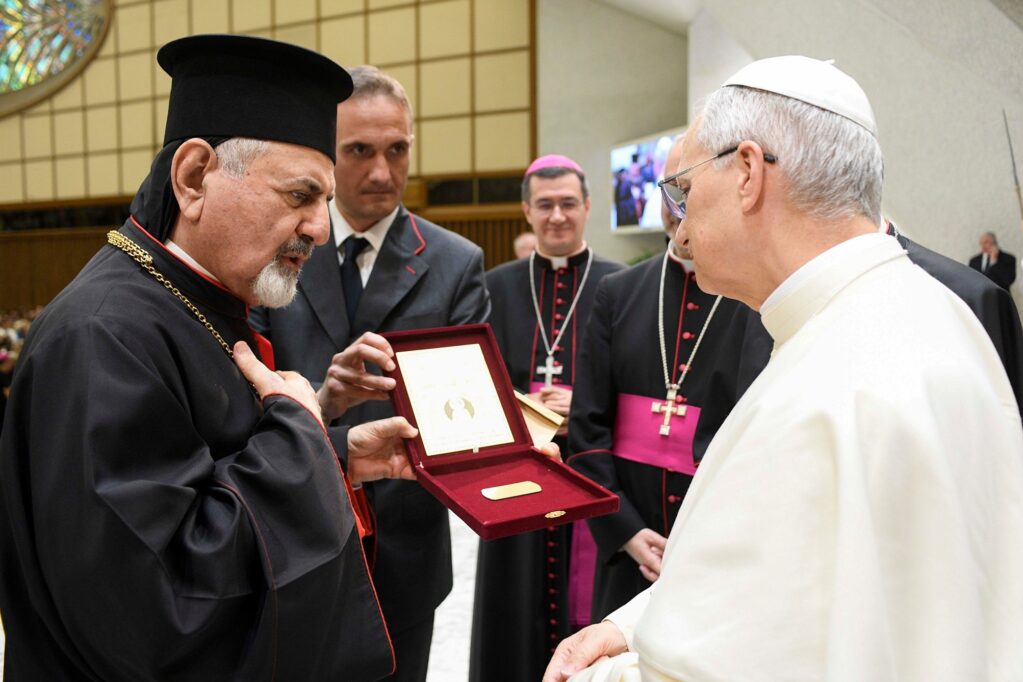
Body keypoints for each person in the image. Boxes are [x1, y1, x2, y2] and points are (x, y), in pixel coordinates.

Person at [544, 56, 1023, 682]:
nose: (680, 230)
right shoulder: (917, 312)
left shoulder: (833, 383)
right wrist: (627, 627)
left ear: (747, 173)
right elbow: (770, 591)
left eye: (685, 190)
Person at [0, 35, 421, 681]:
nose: (318, 228)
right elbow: (149, 606)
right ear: (195, 177)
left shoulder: (201, 300)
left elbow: (204, 480)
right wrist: (296, 437)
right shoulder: (102, 336)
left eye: (324, 205)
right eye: (300, 196)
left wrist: (333, 457)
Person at [248, 65, 489, 682]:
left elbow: (469, 412)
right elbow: (248, 402)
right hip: (296, 532)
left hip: (407, 546)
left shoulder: (456, 264)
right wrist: (325, 408)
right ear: (328, 155)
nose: (382, 172)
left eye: (397, 150)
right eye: (358, 151)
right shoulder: (277, 251)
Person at [566, 135, 770, 622]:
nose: (679, 209)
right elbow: (586, 427)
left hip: (718, 544)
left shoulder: (757, 297)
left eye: (690, 190)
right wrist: (627, 532)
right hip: (628, 541)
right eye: (669, 191)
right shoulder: (617, 293)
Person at [470, 154, 624, 682]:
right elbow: (472, 380)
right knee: (514, 608)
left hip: (586, 472)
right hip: (514, 478)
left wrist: (579, 403)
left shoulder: (619, 285)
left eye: (567, 204)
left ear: (586, 207)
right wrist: (521, 407)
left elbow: (626, 387)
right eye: (544, 205)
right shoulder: (494, 285)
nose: (556, 215)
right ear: (525, 211)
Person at [887, 219, 1023, 415]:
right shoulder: (975, 261)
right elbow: (973, 281)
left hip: (999, 302)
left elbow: (1003, 280)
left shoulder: (1006, 259)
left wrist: (994, 263)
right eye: (981, 243)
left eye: (986, 242)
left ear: (993, 243)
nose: (983, 246)